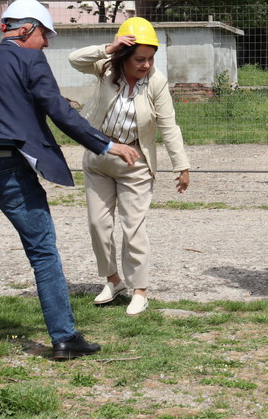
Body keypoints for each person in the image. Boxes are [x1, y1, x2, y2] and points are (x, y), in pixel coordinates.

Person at [0, 0, 140, 359]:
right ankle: (64, 337)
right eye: (44, 36)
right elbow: (59, 110)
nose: (45, 44)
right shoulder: (30, 61)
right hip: (9, 169)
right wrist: (106, 144)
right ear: (26, 29)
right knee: (42, 251)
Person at [69, 17, 190, 316]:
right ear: (123, 55)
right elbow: (75, 59)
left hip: (135, 162)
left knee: (133, 228)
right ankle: (113, 281)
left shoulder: (156, 82)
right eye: (139, 59)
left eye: (150, 59)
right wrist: (108, 48)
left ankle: (140, 291)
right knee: (98, 225)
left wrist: (181, 166)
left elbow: (169, 125)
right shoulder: (105, 68)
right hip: (99, 155)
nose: (146, 65)